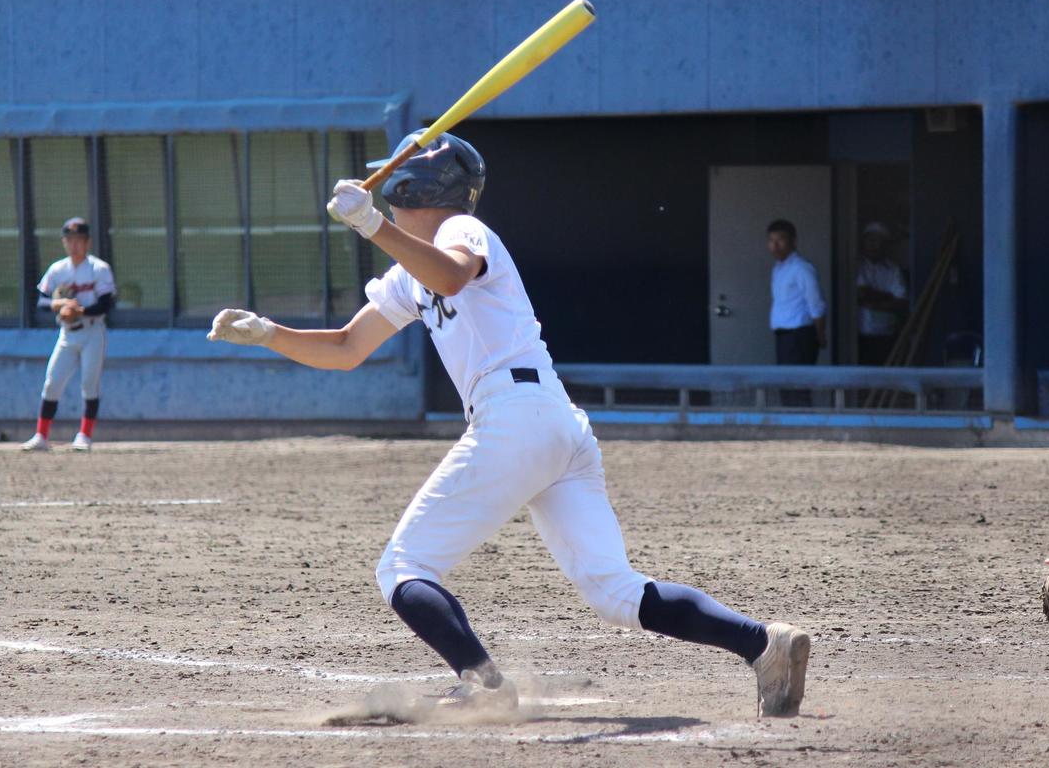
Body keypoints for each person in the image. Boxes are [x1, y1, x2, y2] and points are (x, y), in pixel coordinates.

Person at [208, 130, 811, 717]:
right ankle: (764, 644)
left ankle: (484, 684)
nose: (386, 193)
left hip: (516, 415)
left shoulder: (460, 230)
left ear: (418, 187)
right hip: (551, 423)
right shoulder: (408, 274)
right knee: (615, 591)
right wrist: (269, 334)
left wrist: (370, 225)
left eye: (394, 182)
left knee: (402, 567)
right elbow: (346, 347)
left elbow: (451, 274)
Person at [21, 218, 117, 452]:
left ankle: (84, 435)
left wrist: (78, 310)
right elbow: (42, 301)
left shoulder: (98, 268)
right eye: (70, 240)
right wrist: (61, 304)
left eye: (79, 240)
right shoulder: (58, 269)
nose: (74, 245)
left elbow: (105, 304)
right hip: (67, 334)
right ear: (64, 242)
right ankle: (41, 436)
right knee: (52, 382)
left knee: (89, 383)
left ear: (87, 242)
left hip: (92, 331)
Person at [767, 219, 826, 407]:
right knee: (786, 386)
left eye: (780, 240)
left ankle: (803, 422)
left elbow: (816, 303)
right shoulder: (778, 268)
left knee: (797, 388)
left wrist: (819, 335)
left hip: (799, 335)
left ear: (793, 241)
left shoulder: (801, 268)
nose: (775, 246)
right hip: (784, 336)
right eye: (771, 241)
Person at [855, 222, 908, 366]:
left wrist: (872, 303)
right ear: (863, 242)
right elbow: (861, 293)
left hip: (887, 333)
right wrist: (888, 296)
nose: (874, 245)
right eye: (871, 240)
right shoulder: (856, 266)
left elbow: (901, 301)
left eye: (879, 241)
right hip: (861, 333)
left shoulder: (893, 269)